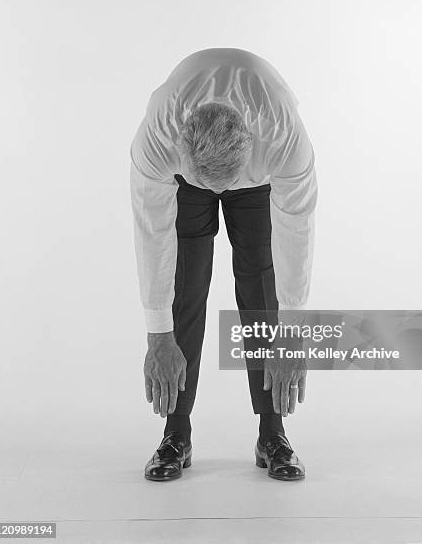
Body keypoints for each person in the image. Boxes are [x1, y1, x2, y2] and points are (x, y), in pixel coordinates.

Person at [130, 48, 317, 481]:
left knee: (260, 283)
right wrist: (158, 335)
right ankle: (176, 433)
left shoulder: (283, 136)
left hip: (258, 180)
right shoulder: (158, 138)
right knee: (186, 282)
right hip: (186, 181)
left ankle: (273, 433)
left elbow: (297, 230)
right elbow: (152, 233)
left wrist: (291, 332)